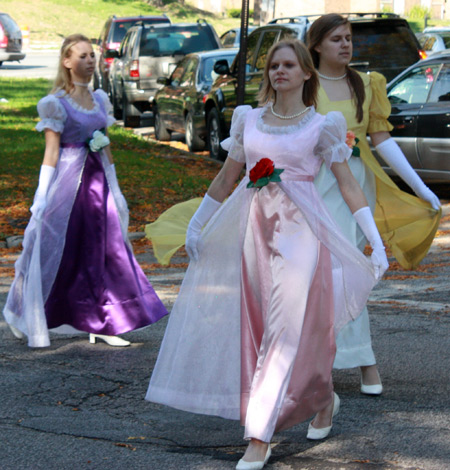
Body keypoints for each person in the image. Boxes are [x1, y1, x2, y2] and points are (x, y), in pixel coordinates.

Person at [146, 39, 388, 470]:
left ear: (306, 72)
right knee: (261, 330)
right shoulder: (249, 120)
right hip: (254, 237)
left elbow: (349, 185)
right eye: (273, 65)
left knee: (283, 329)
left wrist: (375, 240)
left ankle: (259, 436)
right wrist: (198, 223)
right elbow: (226, 178)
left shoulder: (322, 126)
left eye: (289, 65)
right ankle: (321, 397)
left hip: (301, 237)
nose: (279, 71)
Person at [3, 34, 168, 348]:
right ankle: (18, 308)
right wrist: (41, 198)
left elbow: (105, 146)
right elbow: (51, 153)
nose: (89, 61)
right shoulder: (56, 104)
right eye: (81, 56)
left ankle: (103, 321)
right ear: (67, 61)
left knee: (105, 250)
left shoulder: (100, 100)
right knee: (48, 247)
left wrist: (115, 188)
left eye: (92, 55)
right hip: (66, 186)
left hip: (97, 187)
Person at [307, 14, 441, 395]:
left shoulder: (367, 84)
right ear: (316, 45)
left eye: (348, 38)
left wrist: (421, 187)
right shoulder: (305, 84)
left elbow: (381, 140)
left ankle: (363, 361)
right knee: (317, 275)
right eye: (336, 39)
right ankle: (326, 363)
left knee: (346, 273)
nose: (346, 45)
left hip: (354, 189)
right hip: (315, 187)